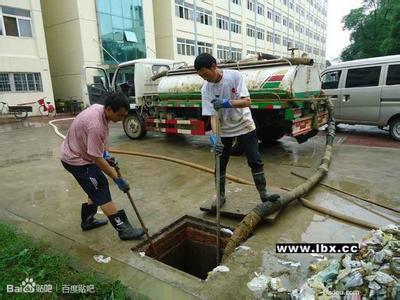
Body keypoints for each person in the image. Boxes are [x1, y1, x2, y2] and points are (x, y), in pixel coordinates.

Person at [194, 53, 280, 209]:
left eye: (206, 75)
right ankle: (220, 196)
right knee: (220, 165)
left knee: (255, 160)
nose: (205, 79)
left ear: (214, 67)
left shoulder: (234, 76)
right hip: (224, 130)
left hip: (244, 125)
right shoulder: (206, 89)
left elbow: (247, 101)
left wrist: (226, 103)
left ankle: (264, 194)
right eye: (202, 77)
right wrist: (215, 139)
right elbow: (213, 117)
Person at [60, 92, 144, 240]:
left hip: (82, 154)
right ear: (109, 109)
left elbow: (101, 141)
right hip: (76, 160)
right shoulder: (96, 125)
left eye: (124, 115)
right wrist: (116, 178)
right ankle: (123, 230)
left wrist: (106, 155)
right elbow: (95, 156)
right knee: (100, 189)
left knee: (95, 187)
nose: (121, 119)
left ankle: (88, 221)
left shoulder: (100, 109)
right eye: (120, 115)